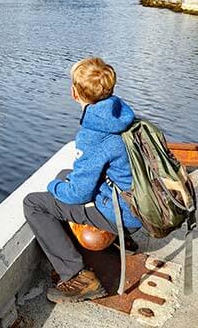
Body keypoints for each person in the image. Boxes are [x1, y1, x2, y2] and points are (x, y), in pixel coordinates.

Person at [22, 57, 142, 303]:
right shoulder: (123, 116)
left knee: (34, 203)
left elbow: (79, 194)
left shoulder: (94, 134)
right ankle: (121, 239)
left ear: (74, 93)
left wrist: (52, 187)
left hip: (123, 214)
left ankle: (77, 277)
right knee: (65, 175)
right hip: (139, 204)